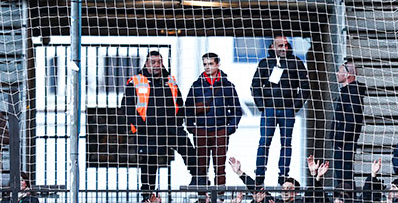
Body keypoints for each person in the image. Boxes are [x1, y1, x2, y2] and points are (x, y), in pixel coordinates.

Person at [123, 50, 197, 192]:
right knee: (149, 165)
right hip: (147, 131)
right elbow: (127, 107)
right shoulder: (136, 81)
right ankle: (147, 197)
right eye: (153, 62)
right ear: (146, 63)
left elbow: (179, 103)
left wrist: (178, 122)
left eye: (159, 62)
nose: (157, 65)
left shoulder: (170, 81)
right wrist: (140, 125)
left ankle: (198, 179)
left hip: (169, 128)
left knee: (188, 149)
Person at [251, 35, 310, 184]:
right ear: (272, 47)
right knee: (264, 141)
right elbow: (255, 86)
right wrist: (262, 106)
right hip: (269, 109)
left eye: (286, 45)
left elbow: (305, 87)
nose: (284, 49)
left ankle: (283, 175)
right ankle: (259, 175)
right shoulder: (265, 63)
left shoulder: (296, 63)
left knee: (286, 143)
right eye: (280, 46)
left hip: (287, 110)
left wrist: (295, 107)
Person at [185, 52, 243, 186]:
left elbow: (237, 109)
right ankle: (202, 198)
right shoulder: (197, 85)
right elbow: (187, 108)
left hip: (220, 130)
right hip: (201, 130)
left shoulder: (227, 86)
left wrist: (230, 128)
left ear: (218, 64)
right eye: (205, 64)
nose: (207, 67)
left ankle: (220, 197)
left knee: (220, 166)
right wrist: (191, 127)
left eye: (210, 64)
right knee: (201, 165)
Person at [331, 59, 364, 189]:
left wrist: (340, 140)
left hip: (345, 143)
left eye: (340, 71)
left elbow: (352, 120)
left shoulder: (353, 93)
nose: (337, 74)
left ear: (347, 75)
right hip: (341, 141)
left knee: (345, 175)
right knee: (342, 174)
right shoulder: (346, 92)